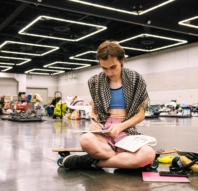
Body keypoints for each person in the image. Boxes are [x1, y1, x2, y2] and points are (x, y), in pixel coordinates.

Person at [62, 40, 155, 170]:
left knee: (149, 154)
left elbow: (140, 115)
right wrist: (94, 122)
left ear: (122, 60)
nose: (109, 73)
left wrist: (121, 126)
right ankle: (124, 160)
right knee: (85, 140)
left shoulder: (135, 79)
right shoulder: (95, 81)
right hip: (104, 133)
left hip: (127, 131)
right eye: (104, 68)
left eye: (113, 67)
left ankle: (90, 162)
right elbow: (94, 111)